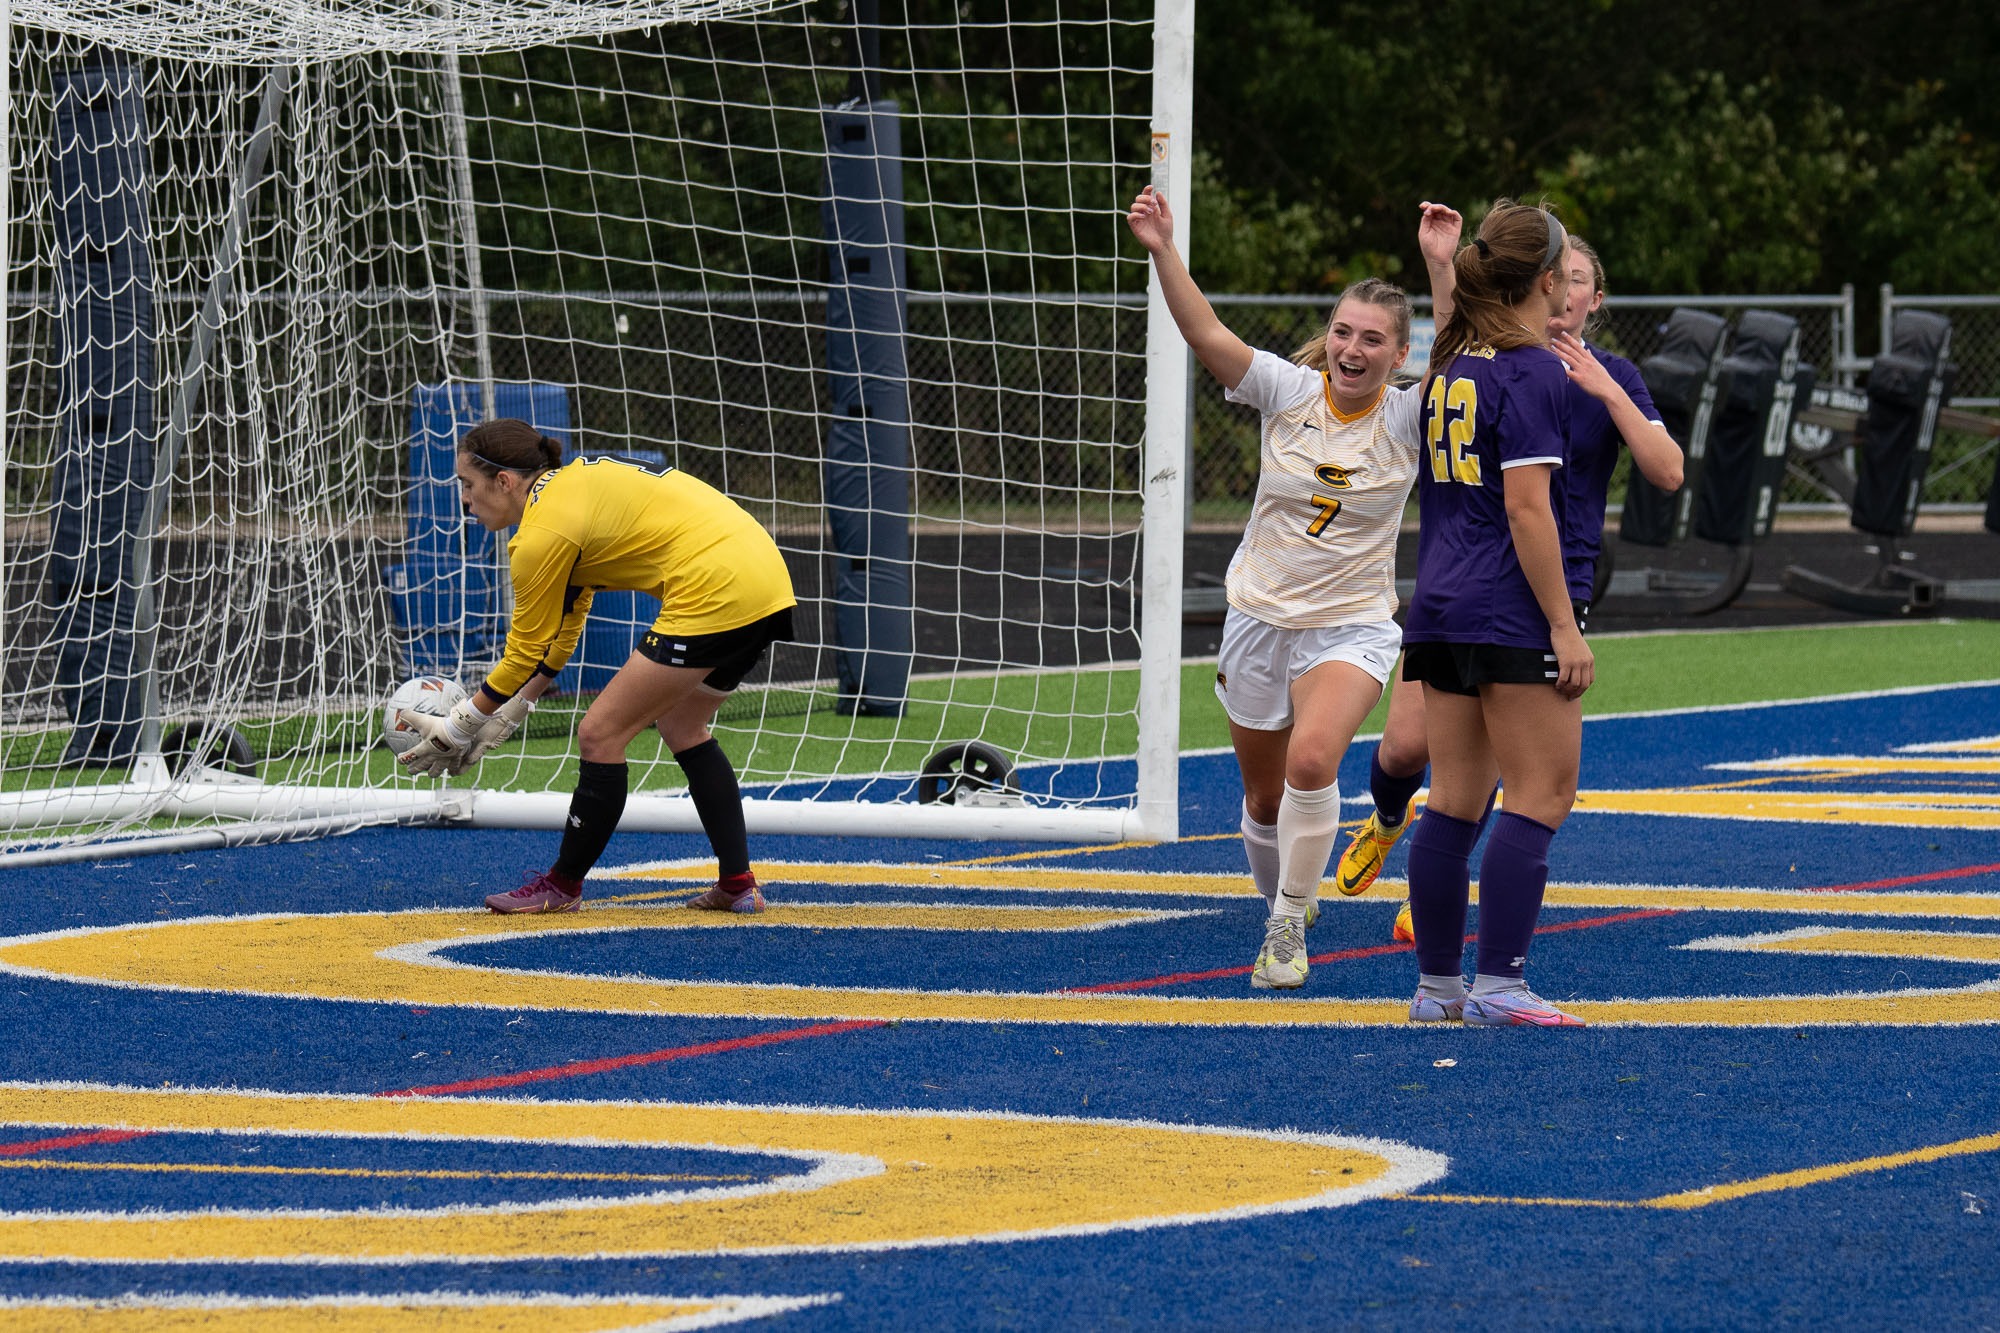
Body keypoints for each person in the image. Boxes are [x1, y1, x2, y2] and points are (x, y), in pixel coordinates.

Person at [1126, 185, 1457, 991]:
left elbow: (1456, 354)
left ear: (1398, 354)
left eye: (1372, 339)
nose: (1353, 348)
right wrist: (1163, 249)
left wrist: (1440, 265)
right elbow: (1205, 333)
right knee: (1264, 795)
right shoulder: (1287, 389)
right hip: (1259, 616)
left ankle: (1285, 923)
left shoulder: (1407, 417)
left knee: (1312, 762)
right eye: (1344, 331)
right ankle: (1284, 896)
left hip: (1351, 624)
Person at [1337, 230, 1684, 945]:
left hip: (1516, 588)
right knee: (1409, 753)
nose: (1568, 288)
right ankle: (1394, 824)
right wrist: (1440, 264)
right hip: (1491, 592)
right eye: (1562, 273)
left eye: (1583, 279)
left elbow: (1668, 469)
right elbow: (1523, 501)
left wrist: (1607, 390)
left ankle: (1441, 924)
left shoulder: (1605, 374)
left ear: (1594, 298)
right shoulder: (1501, 364)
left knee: (1485, 777)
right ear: (1542, 283)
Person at [395, 418, 796, 915]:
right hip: (766, 581)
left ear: (504, 480)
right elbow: (565, 624)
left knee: (599, 734)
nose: (464, 500)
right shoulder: (568, 493)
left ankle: (562, 886)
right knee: (682, 726)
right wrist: (518, 707)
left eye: (467, 484)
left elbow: (522, 651)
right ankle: (737, 884)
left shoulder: (541, 533)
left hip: (716, 589)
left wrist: (460, 724)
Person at [1396, 198, 1591, 1027]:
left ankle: (1438, 986)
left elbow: (1457, 325)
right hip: (1505, 605)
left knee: (1453, 800)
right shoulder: (1533, 368)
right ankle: (1501, 983)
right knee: (1542, 792)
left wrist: (1440, 266)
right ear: (1547, 281)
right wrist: (1564, 625)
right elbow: (1526, 507)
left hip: (1439, 599)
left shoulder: (1452, 359)